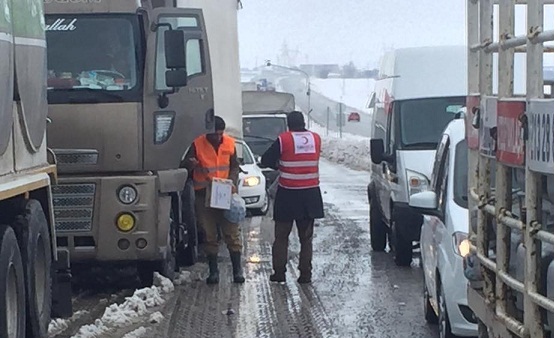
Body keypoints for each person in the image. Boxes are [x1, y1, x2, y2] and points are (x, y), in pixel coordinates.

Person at [260, 111, 324, 284]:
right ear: (304, 123)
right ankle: (305, 274)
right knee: (306, 238)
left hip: (288, 193)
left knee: (281, 236)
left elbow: (266, 160)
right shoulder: (316, 139)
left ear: (288, 124)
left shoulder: (284, 140)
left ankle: (279, 272)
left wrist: (278, 162)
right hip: (310, 194)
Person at [181, 116, 245, 284]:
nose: (218, 137)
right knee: (209, 235)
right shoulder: (197, 144)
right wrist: (190, 164)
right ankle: (214, 272)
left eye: (220, 134)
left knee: (231, 233)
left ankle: (237, 271)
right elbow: (184, 166)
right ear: (207, 132)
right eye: (214, 134)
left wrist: (232, 182)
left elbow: (234, 166)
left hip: (225, 193)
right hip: (204, 195)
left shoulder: (230, 143)